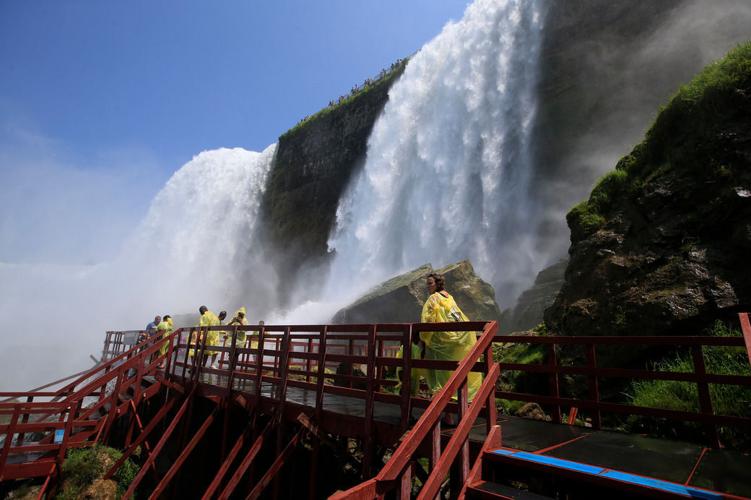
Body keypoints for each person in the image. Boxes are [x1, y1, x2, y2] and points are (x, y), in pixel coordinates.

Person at [420, 273, 481, 401]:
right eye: (427, 284)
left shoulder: (434, 298)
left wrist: (423, 337)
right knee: (454, 373)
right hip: (455, 338)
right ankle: (453, 413)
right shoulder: (449, 297)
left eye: (430, 283)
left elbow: (428, 320)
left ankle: (442, 415)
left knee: (440, 376)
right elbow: (457, 316)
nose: (428, 286)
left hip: (440, 341)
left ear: (437, 283)